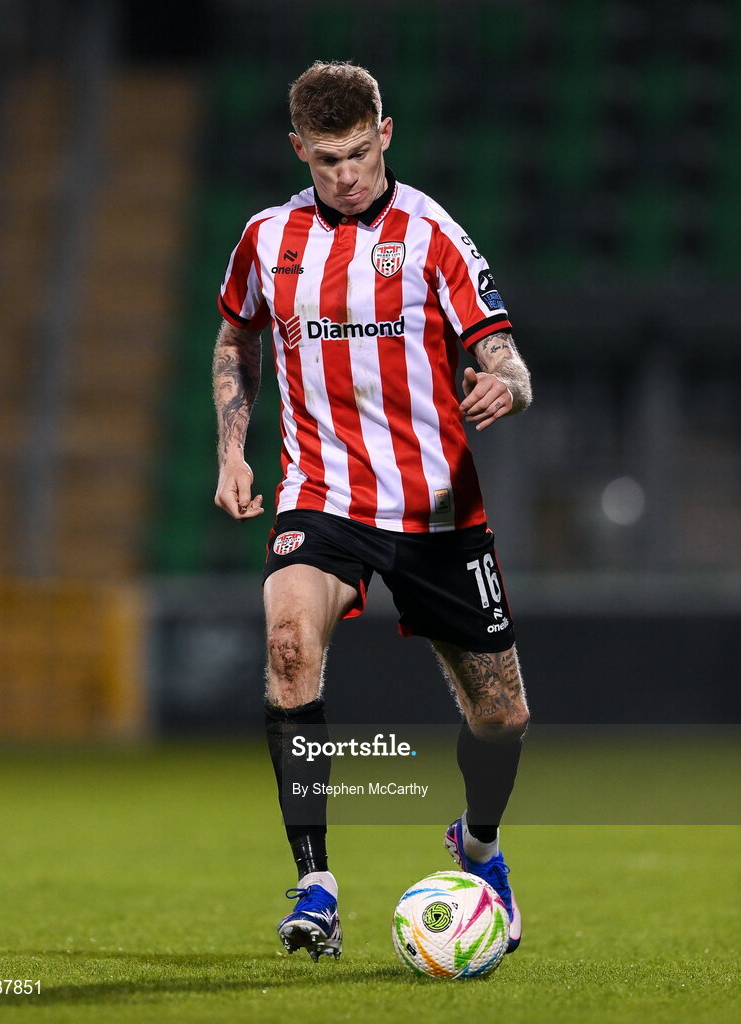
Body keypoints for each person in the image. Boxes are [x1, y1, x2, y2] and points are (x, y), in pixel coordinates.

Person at [213, 61, 532, 962]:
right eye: (325, 159)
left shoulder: (432, 234)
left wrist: (506, 389)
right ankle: (316, 886)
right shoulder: (267, 238)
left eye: (359, 153)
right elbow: (234, 335)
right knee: (286, 646)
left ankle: (477, 845)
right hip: (323, 496)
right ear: (298, 151)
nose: (346, 174)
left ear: (384, 134)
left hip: (436, 509)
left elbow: (505, 355)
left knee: (503, 719)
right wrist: (234, 450)